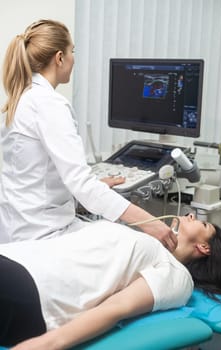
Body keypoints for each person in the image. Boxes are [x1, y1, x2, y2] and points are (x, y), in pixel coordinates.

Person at [0, 19, 176, 249]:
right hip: (42, 236)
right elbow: (82, 185)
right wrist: (151, 222)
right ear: (60, 57)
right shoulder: (49, 104)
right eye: (72, 51)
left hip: (16, 230)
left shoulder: (19, 99)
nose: (74, 58)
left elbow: (34, 179)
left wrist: (95, 185)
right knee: (139, 246)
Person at [0, 214, 221, 349]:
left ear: (204, 247)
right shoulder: (144, 236)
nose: (191, 215)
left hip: (31, 289)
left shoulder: (176, 274)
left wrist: (47, 345)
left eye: (202, 223)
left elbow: (116, 309)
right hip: (13, 257)